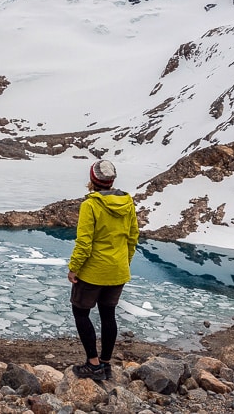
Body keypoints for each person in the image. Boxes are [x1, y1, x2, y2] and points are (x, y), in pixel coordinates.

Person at [67, 160, 138, 380]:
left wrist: (74, 268)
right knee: (108, 315)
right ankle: (106, 363)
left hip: (93, 271)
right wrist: (123, 262)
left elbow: (84, 242)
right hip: (117, 271)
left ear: (93, 180)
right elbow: (133, 237)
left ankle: (93, 363)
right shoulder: (127, 202)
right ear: (111, 181)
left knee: (81, 312)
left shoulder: (91, 205)